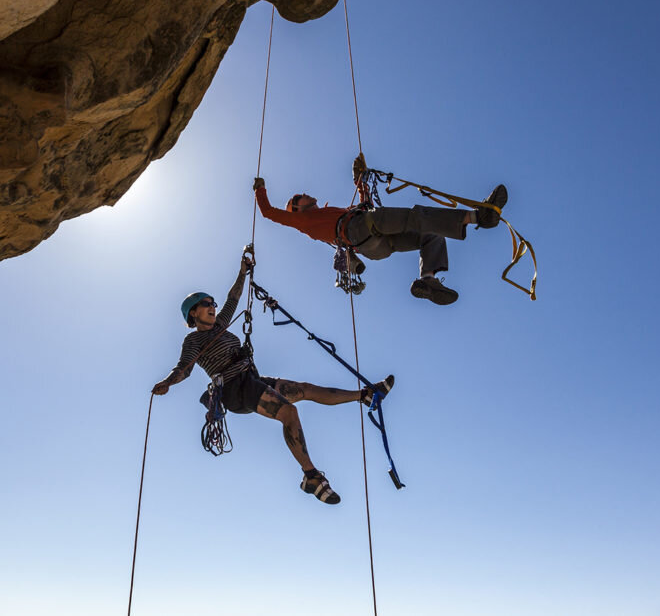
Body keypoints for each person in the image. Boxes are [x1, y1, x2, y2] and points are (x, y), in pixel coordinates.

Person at [153, 252, 393, 505]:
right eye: (206, 304)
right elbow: (184, 368)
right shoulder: (193, 340)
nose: (213, 307)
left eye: (213, 303)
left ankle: (365, 395)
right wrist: (168, 383)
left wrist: (242, 272)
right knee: (289, 412)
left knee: (305, 389)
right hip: (235, 390)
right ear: (193, 314)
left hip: (252, 379)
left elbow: (233, 299)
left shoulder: (221, 325)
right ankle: (310, 476)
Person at [252, 165, 508, 305]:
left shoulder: (332, 213)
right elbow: (268, 213)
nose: (305, 193)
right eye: (299, 196)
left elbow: (363, 203)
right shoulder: (302, 221)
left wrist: (358, 179)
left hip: (372, 246)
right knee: (415, 216)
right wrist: (260, 189)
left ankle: (427, 279)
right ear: (297, 208)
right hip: (360, 229)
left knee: (430, 232)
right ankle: (478, 217)